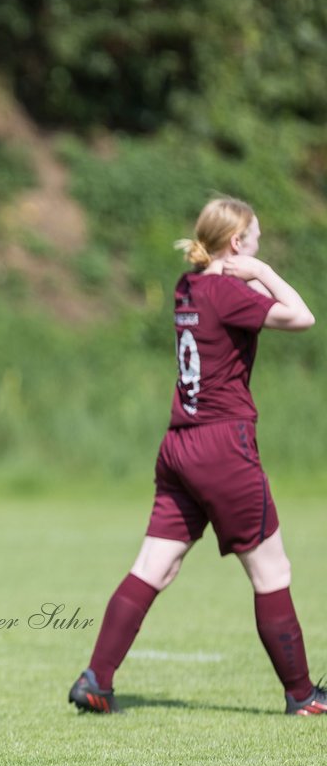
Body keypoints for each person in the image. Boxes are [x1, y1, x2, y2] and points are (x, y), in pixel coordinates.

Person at [69, 197, 324, 715]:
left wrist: (242, 274)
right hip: (224, 448)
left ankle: (96, 679)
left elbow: (222, 301)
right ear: (236, 244)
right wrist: (264, 271)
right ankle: (303, 696)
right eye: (254, 239)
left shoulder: (188, 287)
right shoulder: (230, 289)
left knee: (153, 566)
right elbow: (304, 317)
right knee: (272, 572)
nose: (258, 246)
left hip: (179, 445)